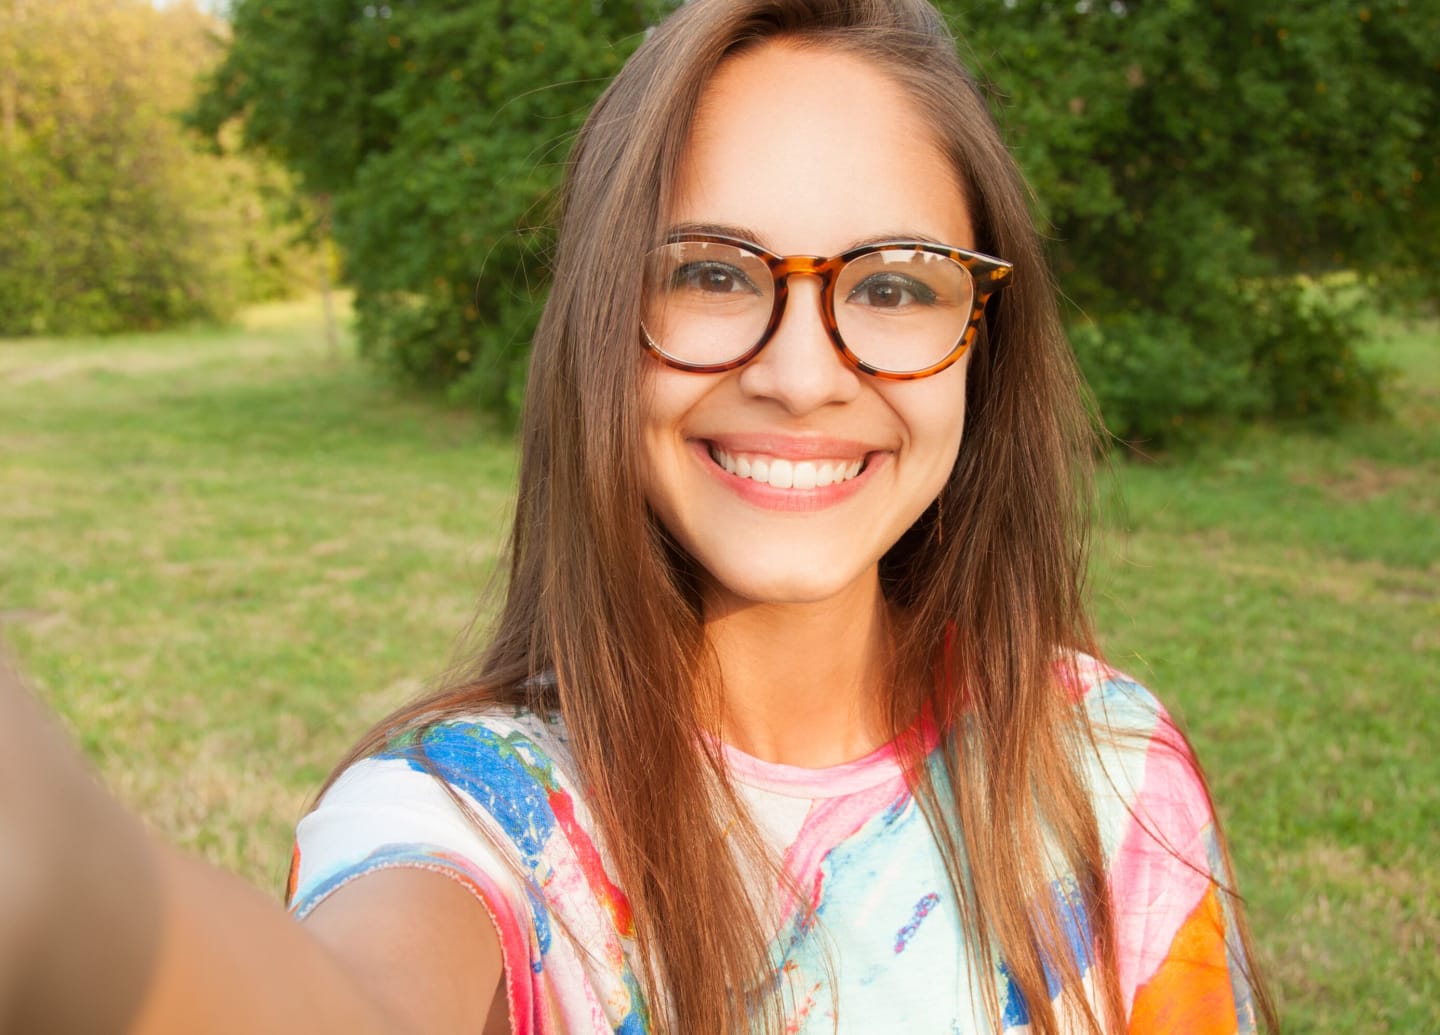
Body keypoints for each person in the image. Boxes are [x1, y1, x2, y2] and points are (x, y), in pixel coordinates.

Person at [0, 0, 1277, 1032]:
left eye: (895, 285)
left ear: (979, 344)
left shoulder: (1107, 761)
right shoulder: (470, 822)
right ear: (602, 325)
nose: (799, 371)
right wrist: (71, 895)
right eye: (713, 274)